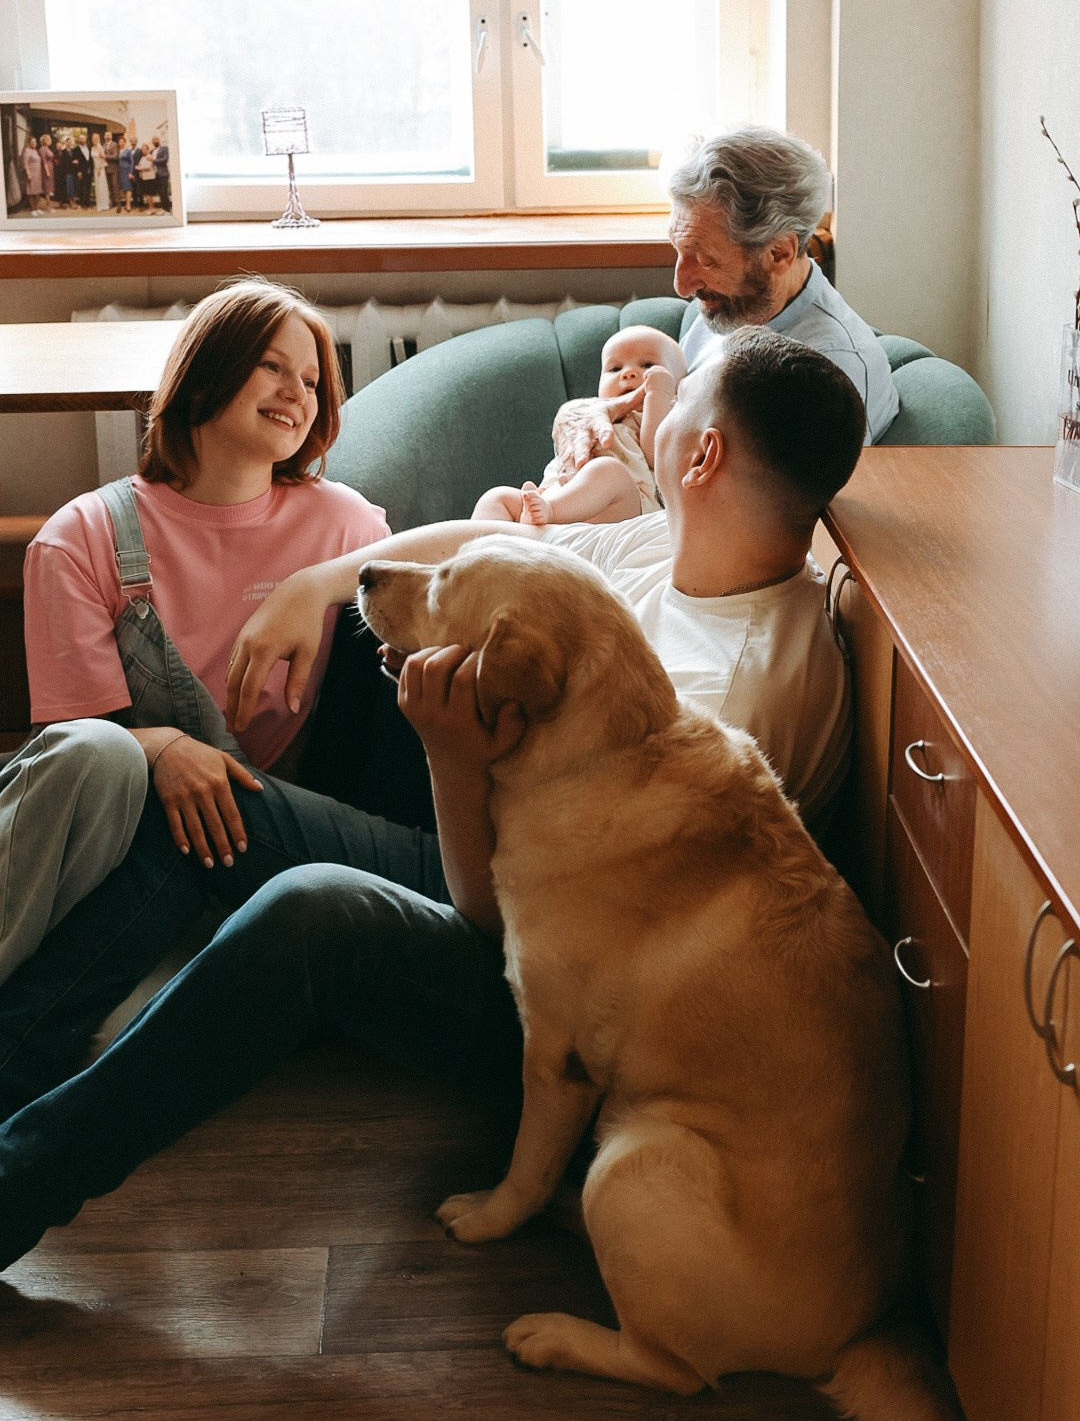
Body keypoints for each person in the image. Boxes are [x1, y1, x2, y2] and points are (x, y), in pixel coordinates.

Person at [0, 332, 868, 1270]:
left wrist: (451, 758)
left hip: (571, 1027)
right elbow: (501, 542)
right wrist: (318, 583)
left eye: (681, 390)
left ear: (703, 455)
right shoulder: (670, 539)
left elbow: (505, 921)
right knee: (205, 796)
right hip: (526, 863)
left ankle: (18, 1185)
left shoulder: (729, 697)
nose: (652, 397)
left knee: (312, 913)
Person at [0, 279, 388, 995]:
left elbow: (463, 564)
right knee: (102, 752)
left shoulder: (349, 526)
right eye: (272, 366)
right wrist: (165, 746)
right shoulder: (80, 538)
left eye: (311, 379)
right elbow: (75, 746)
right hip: (124, 836)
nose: (297, 392)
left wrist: (315, 585)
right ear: (205, 374)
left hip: (274, 836)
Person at [557, 127, 899, 477]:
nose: (681, 285)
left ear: (779, 252)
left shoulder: (829, 373)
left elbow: (802, 522)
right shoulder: (736, 309)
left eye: (705, 259)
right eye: (679, 250)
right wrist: (595, 411)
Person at [472, 325, 687, 527]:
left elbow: (657, 455)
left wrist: (658, 394)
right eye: (615, 368)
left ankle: (551, 512)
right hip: (551, 496)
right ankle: (472, 554)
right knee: (496, 498)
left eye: (648, 365)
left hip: (625, 503)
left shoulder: (669, 409)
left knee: (608, 470)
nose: (628, 373)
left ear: (679, 384)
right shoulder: (587, 414)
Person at [19, 136, 42, 215]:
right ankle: (33, 209)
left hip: (38, 174)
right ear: (29, 143)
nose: (34, 143)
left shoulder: (35, 151)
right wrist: (28, 174)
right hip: (31, 174)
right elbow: (25, 163)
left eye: (35, 142)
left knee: (37, 192)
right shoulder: (27, 151)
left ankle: (37, 207)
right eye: (32, 142)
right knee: (31, 192)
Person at [152, 134, 171, 214]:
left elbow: (165, 159)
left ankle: (167, 209)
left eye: (156, 139)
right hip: (155, 174)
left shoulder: (164, 148)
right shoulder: (152, 151)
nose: (155, 141)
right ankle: (164, 208)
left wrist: (153, 160)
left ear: (159, 140)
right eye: (153, 140)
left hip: (163, 173)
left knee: (164, 191)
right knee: (160, 192)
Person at [91, 133, 110, 211]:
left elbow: (103, 158)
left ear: (98, 139)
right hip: (95, 168)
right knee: (97, 187)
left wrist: (99, 169)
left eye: (96, 138)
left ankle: (104, 205)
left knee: (102, 186)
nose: (95, 140)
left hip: (100, 169)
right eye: (93, 138)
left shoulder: (100, 147)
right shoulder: (92, 148)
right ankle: (99, 204)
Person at [38, 133, 55, 211]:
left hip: (50, 168)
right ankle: (48, 207)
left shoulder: (48, 148)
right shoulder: (42, 149)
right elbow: (44, 161)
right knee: (47, 189)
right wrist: (47, 171)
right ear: (43, 141)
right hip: (46, 169)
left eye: (49, 139)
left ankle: (48, 205)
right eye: (47, 139)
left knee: (50, 188)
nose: (49, 141)